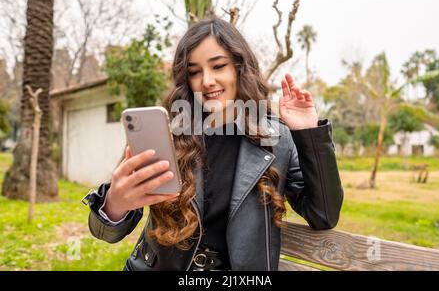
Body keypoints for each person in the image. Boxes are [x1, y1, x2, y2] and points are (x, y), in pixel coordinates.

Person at [84, 17, 344, 271]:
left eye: (218, 66)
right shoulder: (168, 133)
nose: (206, 81)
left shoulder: (277, 139)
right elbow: (105, 233)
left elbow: (323, 216)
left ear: (240, 68)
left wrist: (308, 134)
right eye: (195, 71)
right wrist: (115, 204)